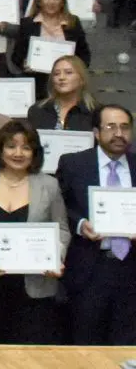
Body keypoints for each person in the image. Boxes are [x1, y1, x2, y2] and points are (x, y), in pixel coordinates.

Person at [0, 120, 69, 344]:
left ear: (35, 152)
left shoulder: (49, 185)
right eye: (11, 146)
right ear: (0, 149)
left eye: (26, 147)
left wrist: (57, 256)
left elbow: (62, 228)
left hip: (36, 287)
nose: (18, 153)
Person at [57, 104, 136, 345]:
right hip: (89, 269)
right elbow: (59, 207)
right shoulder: (73, 164)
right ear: (96, 132)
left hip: (131, 270)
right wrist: (80, 224)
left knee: (128, 345)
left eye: (125, 127)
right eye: (111, 127)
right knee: (84, 344)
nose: (119, 133)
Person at [11, 0, 91, 99]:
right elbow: (16, 56)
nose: (51, 2)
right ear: (39, 1)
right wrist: (24, 64)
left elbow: (84, 54)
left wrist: (75, 70)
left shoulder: (73, 22)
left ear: (62, 2)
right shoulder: (27, 24)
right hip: (37, 84)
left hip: (68, 84)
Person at [26, 55, 96, 131]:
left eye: (68, 73)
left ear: (82, 79)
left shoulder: (96, 112)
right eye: (56, 74)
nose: (61, 77)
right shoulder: (37, 110)